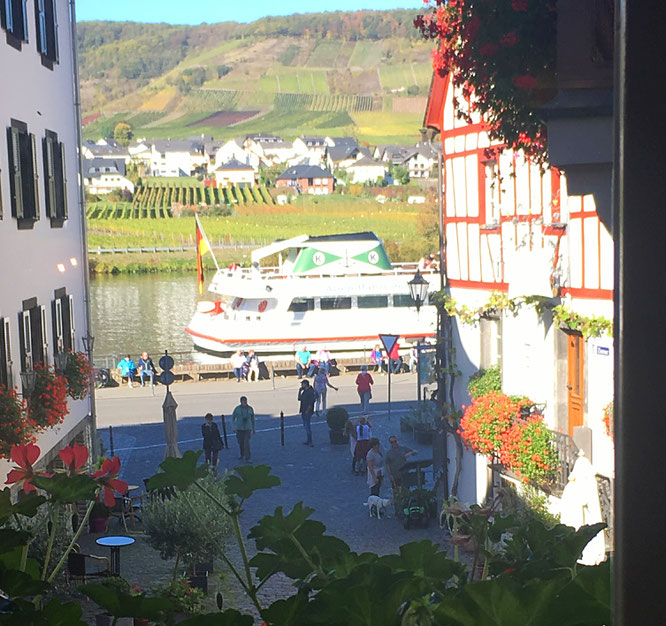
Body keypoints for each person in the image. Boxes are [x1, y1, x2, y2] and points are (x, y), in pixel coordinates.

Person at [231, 396, 255, 462]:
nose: (244, 403)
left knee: (247, 443)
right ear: (240, 402)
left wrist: (254, 429)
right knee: (241, 443)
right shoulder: (237, 409)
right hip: (239, 428)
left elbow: (253, 419)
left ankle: (248, 457)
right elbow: (232, 418)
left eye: (245, 401)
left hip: (248, 428)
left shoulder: (250, 409)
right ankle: (242, 454)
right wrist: (234, 427)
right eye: (243, 401)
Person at [297, 379, 316, 446]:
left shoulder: (310, 391)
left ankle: (310, 441)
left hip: (307, 411)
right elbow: (299, 398)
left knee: (307, 426)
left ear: (305, 384)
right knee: (305, 425)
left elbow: (312, 402)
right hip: (303, 410)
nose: (301, 385)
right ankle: (308, 440)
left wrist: (308, 410)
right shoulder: (304, 391)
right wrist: (299, 391)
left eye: (302, 384)